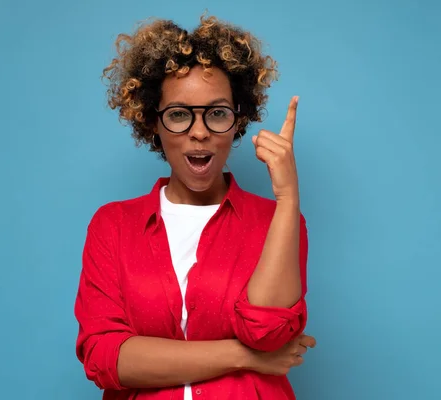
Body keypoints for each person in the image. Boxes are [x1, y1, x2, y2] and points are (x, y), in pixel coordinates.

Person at [74, 13, 317, 400]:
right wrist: (245, 357)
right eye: (179, 115)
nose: (200, 131)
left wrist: (288, 198)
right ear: (153, 122)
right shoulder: (113, 225)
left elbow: (267, 333)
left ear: (239, 121)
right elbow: (107, 358)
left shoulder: (278, 222)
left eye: (217, 113)